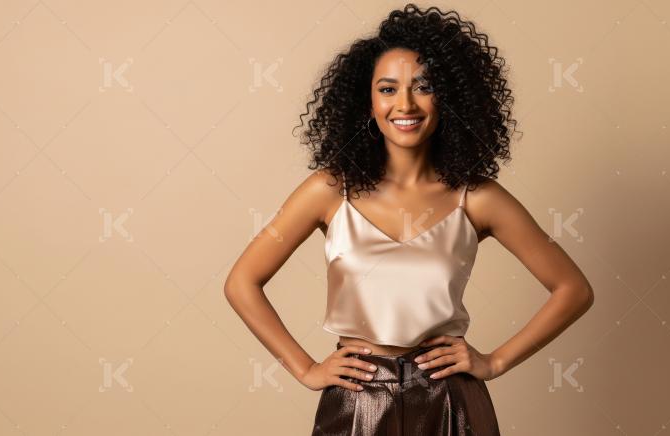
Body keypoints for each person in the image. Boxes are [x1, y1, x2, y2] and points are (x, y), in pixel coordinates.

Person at [224, 4, 594, 435]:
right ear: (367, 102)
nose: (405, 104)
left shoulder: (478, 198)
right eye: (387, 89)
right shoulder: (329, 190)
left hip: (449, 400)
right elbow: (241, 282)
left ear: (448, 98)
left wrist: (494, 361)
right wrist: (306, 369)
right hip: (357, 398)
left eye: (423, 87)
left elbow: (574, 290)